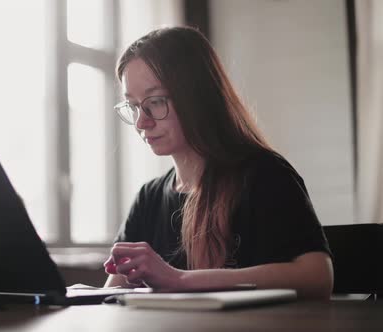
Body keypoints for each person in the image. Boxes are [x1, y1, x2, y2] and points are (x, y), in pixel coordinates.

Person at [103, 26, 333, 300]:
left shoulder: (264, 176)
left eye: (156, 101)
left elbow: (318, 277)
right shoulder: (148, 199)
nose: (142, 122)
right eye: (134, 106)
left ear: (197, 98)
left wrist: (180, 280)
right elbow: (110, 296)